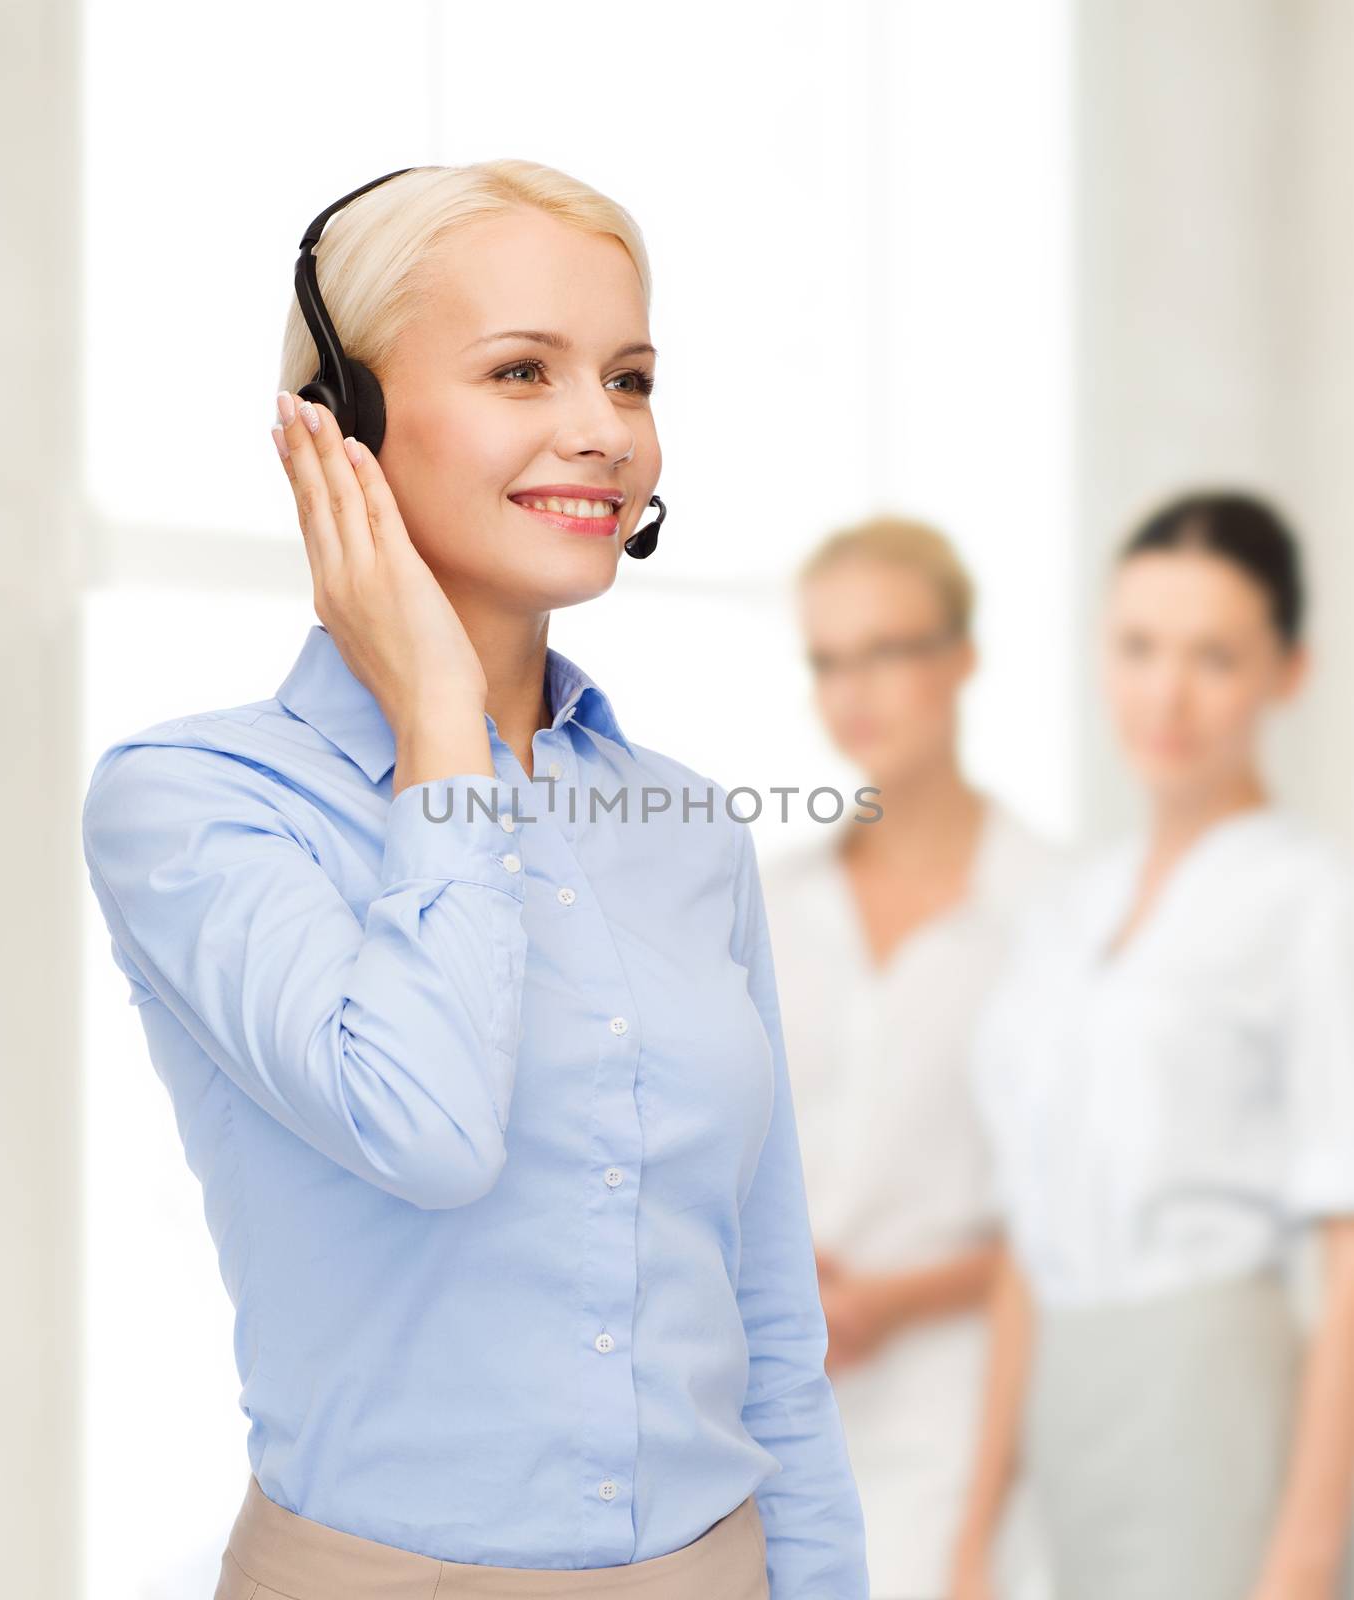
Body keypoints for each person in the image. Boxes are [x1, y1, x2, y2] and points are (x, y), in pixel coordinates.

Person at [80, 159, 868, 1600]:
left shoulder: (683, 825)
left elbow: (767, 1328)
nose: (600, 434)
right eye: (522, 371)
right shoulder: (194, 806)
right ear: (342, 430)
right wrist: (442, 723)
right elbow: (428, 1130)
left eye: (627, 381)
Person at [950, 490, 1354, 1600]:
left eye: (1213, 657)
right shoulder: (1066, 911)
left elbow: (1348, 1247)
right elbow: (1028, 1240)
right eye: (1137, 648)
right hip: (1067, 1402)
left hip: (1216, 1388)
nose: (1165, 695)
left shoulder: (1310, 901)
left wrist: (1306, 1559)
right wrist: (975, 1533)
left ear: (1288, 671)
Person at [760, 516, 1061, 1600]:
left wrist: (892, 1299)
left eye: (886, 650)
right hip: (763, 1400)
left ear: (962, 657)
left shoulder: (1053, 909)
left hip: (960, 1419)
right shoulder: (769, 902)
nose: (855, 690)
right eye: (828, 661)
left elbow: (1066, 1218)